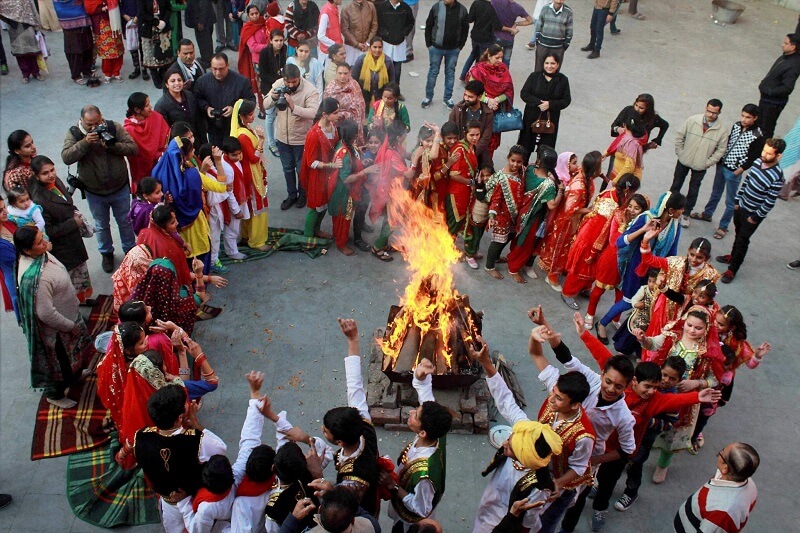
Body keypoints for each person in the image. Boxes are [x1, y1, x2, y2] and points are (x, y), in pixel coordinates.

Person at [571, 316, 720, 532]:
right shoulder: (621, 383)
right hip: (599, 443)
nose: (652, 391)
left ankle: (600, 508)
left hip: (620, 452)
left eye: (655, 387)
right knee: (590, 477)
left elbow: (675, 401)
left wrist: (697, 396)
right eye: (648, 386)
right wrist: (584, 334)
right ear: (633, 382)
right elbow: (603, 355)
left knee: (608, 482)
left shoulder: (655, 400)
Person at [469, 334, 565, 533]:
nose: (505, 444)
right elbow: (505, 400)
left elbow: (527, 524)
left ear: (525, 458)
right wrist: (486, 362)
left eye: (511, 447)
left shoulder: (538, 489)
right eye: (510, 439)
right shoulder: (526, 429)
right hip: (490, 503)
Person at [634, 306, 725, 484]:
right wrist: (643, 340)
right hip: (658, 390)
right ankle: (637, 452)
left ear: (707, 328)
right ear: (684, 321)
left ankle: (663, 464)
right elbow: (654, 344)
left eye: (698, 328)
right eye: (689, 325)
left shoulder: (708, 352)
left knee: (673, 434)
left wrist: (696, 383)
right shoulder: (673, 335)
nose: (692, 330)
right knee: (648, 422)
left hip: (685, 400)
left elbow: (714, 379)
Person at [118, 384, 227, 533]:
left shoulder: (140, 437)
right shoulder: (197, 440)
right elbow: (221, 448)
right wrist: (196, 425)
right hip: (194, 499)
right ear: (180, 418)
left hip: (168, 503)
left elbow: (123, 458)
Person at [14, 226, 90, 410]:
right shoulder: (36, 279)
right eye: (40, 242)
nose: (46, 242)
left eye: (43, 237)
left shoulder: (41, 255)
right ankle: (55, 395)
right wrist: (69, 326)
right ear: (27, 251)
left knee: (74, 356)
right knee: (60, 366)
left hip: (68, 319)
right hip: (57, 331)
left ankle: (75, 376)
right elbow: (45, 313)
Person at [594, 191, 684, 343]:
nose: (683, 212)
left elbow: (672, 252)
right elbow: (620, 242)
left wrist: (667, 272)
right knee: (629, 301)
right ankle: (602, 323)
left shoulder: (675, 225)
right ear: (670, 210)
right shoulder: (646, 219)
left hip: (655, 272)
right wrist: (643, 230)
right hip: (637, 269)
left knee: (646, 303)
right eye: (681, 209)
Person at [61, 105, 138, 273]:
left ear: (102, 117)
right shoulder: (75, 133)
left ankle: (130, 250)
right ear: (81, 121)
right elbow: (66, 157)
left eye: (97, 123)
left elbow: (133, 148)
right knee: (101, 225)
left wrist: (112, 145)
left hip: (119, 187)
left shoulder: (113, 127)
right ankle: (106, 253)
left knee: (125, 221)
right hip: (94, 191)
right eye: (89, 124)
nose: (94, 128)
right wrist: (85, 143)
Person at [560, 173, 640, 309]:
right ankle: (567, 293)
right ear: (628, 190)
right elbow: (600, 226)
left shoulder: (618, 196)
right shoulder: (610, 202)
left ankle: (584, 288)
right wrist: (595, 248)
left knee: (593, 267)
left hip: (600, 239)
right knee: (582, 265)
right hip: (592, 237)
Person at [150, 139, 227, 274]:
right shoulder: (193, 174)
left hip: (173, 227)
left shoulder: (158, 173)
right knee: (200, 256)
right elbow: (221, 187)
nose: (194, 151)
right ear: (184, 156)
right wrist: (218, 162)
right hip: (195, 225)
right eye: (192, 150)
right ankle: (201, 283)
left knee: (181, 259)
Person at [716, 138, 786, 283]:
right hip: (741, 207)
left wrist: (756, 217)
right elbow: (747, 182)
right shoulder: (757, 162)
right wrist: (737, 201)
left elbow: (769, 202)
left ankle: (732, 269)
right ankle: (733, 256)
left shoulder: (777, 176)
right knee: (738, 234)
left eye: (769, 153)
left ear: (778, 155)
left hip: (753, 214)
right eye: (764, 151)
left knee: (743, 240)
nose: (764, 155)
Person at [28, 156, 93, 303]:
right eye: (45, 173)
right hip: (63, 248)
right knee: (71, 281)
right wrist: (73, 223)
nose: (51, 175)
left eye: (52, 170)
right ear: (36, 176)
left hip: (73, 240)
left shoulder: (55, 182)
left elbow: (67, 202)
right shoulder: (39, 200)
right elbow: (49, 231)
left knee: (81, 275)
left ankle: (83, 299)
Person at [697, 104, 765, 239]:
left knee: (730, 201)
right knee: (715, 193)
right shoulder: (737, 126)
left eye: (748, 117)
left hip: (734, 170)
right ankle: (707, 214)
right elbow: (728, 141)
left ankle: (723, 226)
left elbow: (753, 156)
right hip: (722, 164)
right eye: (743, 116)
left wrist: (740, 169)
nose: (744, 119)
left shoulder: (757, 136)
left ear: (755, 118)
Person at [583, 193, 648, 333]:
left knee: (621, 294)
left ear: (643, 211)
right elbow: (614, 241)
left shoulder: (643, 222)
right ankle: (590, 313)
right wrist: (624, 226)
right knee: (598, 290)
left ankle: (615, 318)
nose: (631, 210)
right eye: (630, 206)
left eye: (636, 208)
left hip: (628, 264)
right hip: (611, 260)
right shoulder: (618, 216)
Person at [536, 151, 599, 292]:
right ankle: (552, 275)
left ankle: (560, 269)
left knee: (567, 248)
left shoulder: (584, 176)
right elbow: (569, 209)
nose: (577, 165)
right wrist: (589, 210)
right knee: (560, 248)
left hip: (573, 221)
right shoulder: (579, 186)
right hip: (567, 222)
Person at [264, 63, 321, 211]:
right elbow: (265, 104)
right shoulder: (279, 84)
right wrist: (273, 97)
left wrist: (294, 107)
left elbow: (313, 113)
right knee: (287, 169)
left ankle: (303, 195)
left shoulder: (310, 90)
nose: (290, 85)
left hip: (301, 140)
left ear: (299, 78)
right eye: (287, 82)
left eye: (293, 82)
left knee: (301, 170)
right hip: (283, 138)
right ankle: (291, 195)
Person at [674, 442, 759, 533]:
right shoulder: (749, 484)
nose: (720, 453)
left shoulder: (722, 515)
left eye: (722, 452)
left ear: (725, 468)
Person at [671, 99, 729, 228]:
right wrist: (680, 152)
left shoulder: (721, 130)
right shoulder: (692, 120)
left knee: (694, 189)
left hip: (701, 165)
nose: (710, 115)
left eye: (714, 113)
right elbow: (680, 135)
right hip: (684, 160)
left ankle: (686, 213)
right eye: (708, 111)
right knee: (676, 185)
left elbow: (721, 150)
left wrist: (708, 162)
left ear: (719, 113)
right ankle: (669, 208)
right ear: (705, 108)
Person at [505, 145, 560, 282]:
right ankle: (513, 268)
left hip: (520, 211)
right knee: (525, 244)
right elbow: (552, 205)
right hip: (532, 218)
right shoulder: (548, 184)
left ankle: (512, 258)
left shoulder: (529, 169)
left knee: (518, 238)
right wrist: (561, 191)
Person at [230, 99, 271, 252]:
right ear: (242, 116)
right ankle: (257, 241)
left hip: (252, 171)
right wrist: (261, 141)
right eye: (250, 114)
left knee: (250, 206)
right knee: (256, 205)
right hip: (252, 174)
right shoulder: (243, 136)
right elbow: (253, 158)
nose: (253, 116)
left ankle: (247, 235)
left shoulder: (245, 129)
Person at [193, 53, 255, 146]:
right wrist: (206, 108)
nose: (218, 72)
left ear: (227, 66)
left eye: (221, 69)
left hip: (235, 128)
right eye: (214, 69)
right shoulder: (202, 82)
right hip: (213, 129)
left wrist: (235, 109)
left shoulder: (241, 82)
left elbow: (251, 101)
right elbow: (197, 99)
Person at [482, 145, 525, 278]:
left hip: (513, 216)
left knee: (508, 237)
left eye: (519, 162)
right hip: (501, 216)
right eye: (513, 161)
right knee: (498, 241)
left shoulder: (521, 172)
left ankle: (495, 258)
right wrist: (492, 216)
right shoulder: (502, 178)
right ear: (508, 158)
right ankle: (489, 266)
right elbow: (496, 199)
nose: (515, 164)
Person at [300, 98, 340, 239]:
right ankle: (308, 237)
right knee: (315, 208)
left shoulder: (333, 127)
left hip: (329, 175)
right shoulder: (314, 134)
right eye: (335, 113)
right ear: (324, 114)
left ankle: (316, 230)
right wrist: (330, 165)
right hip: (318, 177)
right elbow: (311, 162)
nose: (338, 115)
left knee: (323, 206)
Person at [518, 53, 570, 157]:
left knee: (546, 152)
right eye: (547, 63)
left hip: (550, 120)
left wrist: (550, 104)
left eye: (552, 63)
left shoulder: (563, 80)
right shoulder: (534, 76)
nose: (549, 66)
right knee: (525, 147)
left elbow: (566, 100)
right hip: (531, 117)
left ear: (558, 64)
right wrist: (538, 103)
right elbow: (524, 94)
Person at [422, 0, 469, 109]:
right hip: (436, 48)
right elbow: (429, 25)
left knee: (450, 73)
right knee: (433, 72)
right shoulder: (436, 7)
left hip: (453, 49)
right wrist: (429, 44)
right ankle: (428, 97)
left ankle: (447, 98)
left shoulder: (462, 10)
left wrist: (460, 46)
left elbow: (465, 29)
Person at [209, 137, 246, 268]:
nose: (237, 157)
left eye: (239, 154)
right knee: (232, 228)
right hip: (230, 202)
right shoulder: (227, 168)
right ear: (225, 153)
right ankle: (232, 251)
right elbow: (229, 191)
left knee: (232, 228)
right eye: (234, 155)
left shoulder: (231, 162)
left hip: (236, 199)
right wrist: (236, 210)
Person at [124, 92, 171, 194]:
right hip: (143, 174)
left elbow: (167, 136)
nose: (151, 107)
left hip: (163, 166)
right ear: (137, 110)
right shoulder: (129, 130)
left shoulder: (156, 117)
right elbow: (141, 154)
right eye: (147, 105)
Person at [757, 33, 800, 139]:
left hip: (773, 103)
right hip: (767, 99)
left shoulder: (793, 65)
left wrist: (769, 91)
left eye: (786, 43)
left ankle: (764, 146)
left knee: (766, 128)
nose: (782, 45)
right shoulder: (785, 57)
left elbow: (787, 88)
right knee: (759, 123)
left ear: (793, 47)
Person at [445, 121, 480, 238]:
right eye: (472, 135)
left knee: (458, 223)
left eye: (477, 135)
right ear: (465, 134)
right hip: (456, 194)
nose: (475, 138)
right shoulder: (460, 150)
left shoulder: (471, 147)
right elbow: (454, 175)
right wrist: (470, 182)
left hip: (465, 193)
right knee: (453, 225)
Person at [155, 71, 209, 147]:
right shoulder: (161, 106)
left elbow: (198, 120)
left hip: (196, 140)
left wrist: (204, 142)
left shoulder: (189, 95)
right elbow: (165, 132)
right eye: (173, 81)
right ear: (167, 84)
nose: (177, 83)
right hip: (180, 145)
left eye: (179, 80)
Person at [451, 78, 495, 166]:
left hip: (478, 152)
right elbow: (451, 129)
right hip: (458, 150)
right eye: (465, 95)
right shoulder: (457, 109)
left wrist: (471, 152)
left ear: (479, 97)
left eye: (470, 97)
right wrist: (460, 149)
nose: (466, 98)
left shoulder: (488, 114)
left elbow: (485, 138)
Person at [259, 29, 288, 155]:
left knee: (281, 115)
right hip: (268, 88)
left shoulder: (285, 50)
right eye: (276, 40)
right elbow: (263, 74)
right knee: (270, 117)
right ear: (270, 41)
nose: (279, 43)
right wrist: (278, 82)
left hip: (283, 88)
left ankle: (278, 139)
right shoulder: (265, 53)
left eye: (281, 40)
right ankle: (271, 143)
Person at [53, 0, 96, 84]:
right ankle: (76, 74)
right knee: (74, 49)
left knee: (88, 45)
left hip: (83, 15)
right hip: (67, 16)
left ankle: (87, 70)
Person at [324, 62, 367, 146]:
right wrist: (345, 114)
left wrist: (355, 112)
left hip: (356, 124)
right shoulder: (330, 89)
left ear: (350, 73)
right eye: (340, 73)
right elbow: (328, 111)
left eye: (345, 73)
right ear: (336, 73)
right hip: (339, 126)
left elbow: (360, 104)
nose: (342, 76)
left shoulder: (354, 84)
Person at [458, 0, 502, 82]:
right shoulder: (493, 7)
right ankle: (475, 78)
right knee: (482, 60)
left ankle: (463, 74)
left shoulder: (476, 3)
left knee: (473, 54)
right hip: (486, 38)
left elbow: (470, 19)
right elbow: (497, 25)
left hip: (475, 35)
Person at [0, 0, 42, 83]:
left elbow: (31, 6)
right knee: (20, 52)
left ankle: (36, 72)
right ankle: (25, 74)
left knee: (32, 50)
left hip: (27, 23)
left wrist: (36, 24)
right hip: (14, 26)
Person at [238, 4, 268, 118]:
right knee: (261, 87)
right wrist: (268, 46)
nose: (255, 16)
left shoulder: (264, 23)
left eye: (256, 13)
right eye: (252, 14)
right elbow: (253, 46)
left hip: (269, 58)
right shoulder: (247, 29)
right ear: (248, 15)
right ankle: (262, 109)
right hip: (258, 62)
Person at [374, 0, 414, 83]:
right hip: (386, 43)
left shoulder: (405, 7)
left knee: (397, 69)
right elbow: (378, 24)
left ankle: (395, 88)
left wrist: (403, 33)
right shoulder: (382, 8)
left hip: (400, 44)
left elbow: (410, 22)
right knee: (384, 68)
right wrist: (385, 34)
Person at [137, 0, 175, 89]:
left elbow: (168, 9)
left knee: (164, 53)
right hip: (148, 28)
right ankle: (154, 75)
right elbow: (141, 13)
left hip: (163, 27)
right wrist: (156, 22)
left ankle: (163, 73)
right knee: (150, 55)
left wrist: (164, 21)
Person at [84, 0, 125, 82]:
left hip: (114, 21)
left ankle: (116, 72)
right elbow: (89, 9)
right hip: (101, 24)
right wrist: (102, 8)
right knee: (105, 50)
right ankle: (107, 73)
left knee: (117, 47)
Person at [528, 0, 572, 72]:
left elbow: (569, 29)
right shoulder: (545, 8)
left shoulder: (568, 12)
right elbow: (539, 25)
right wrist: (538, 39)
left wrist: (566, 44)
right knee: (538, 69)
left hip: (558, 47)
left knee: (554, 71)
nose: (559, 1)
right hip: (543, 45)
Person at [352, 37, 396, 109]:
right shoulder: (362, 59)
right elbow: (354, 79)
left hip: (381, 98)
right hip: (363, 97)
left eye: (380, 47)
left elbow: (392, 81)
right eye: (375, 47)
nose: (377, 50)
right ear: (370, 47)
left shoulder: (387, 61)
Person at [491, 0, 532, 66]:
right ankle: (504, 72)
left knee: (493, 59)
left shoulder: (496, 2)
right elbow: (530, 21)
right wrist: (516, 23)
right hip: (509, 38)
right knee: (506, 61)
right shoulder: (518, 7)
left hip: (497, 35)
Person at [0, 195, 19, 321]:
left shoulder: (7, 222)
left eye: (4, 207)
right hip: (17, 282)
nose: (6, 211)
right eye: (0, 210)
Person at [341, 0, 377, 65]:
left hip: (366, 46)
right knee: (351, 68)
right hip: (351, 47)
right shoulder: (346, 9)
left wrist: (368, 43)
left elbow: (374, 25)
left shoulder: (371, 6)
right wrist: (356, 44)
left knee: (366, 68)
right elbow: (344, 29)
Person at [184, 3, 214, 69]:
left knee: (204, 41)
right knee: (205, 41)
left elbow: (203, 5)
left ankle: (207, 60)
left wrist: (201, 21)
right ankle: (207, 58)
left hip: (202, 21)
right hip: (203, 19)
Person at [317, 0, 343, 64]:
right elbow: (320, 36)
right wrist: (335, 44)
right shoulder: (325, 13)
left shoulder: (333, 9)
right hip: (327, 55)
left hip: (334, 52)